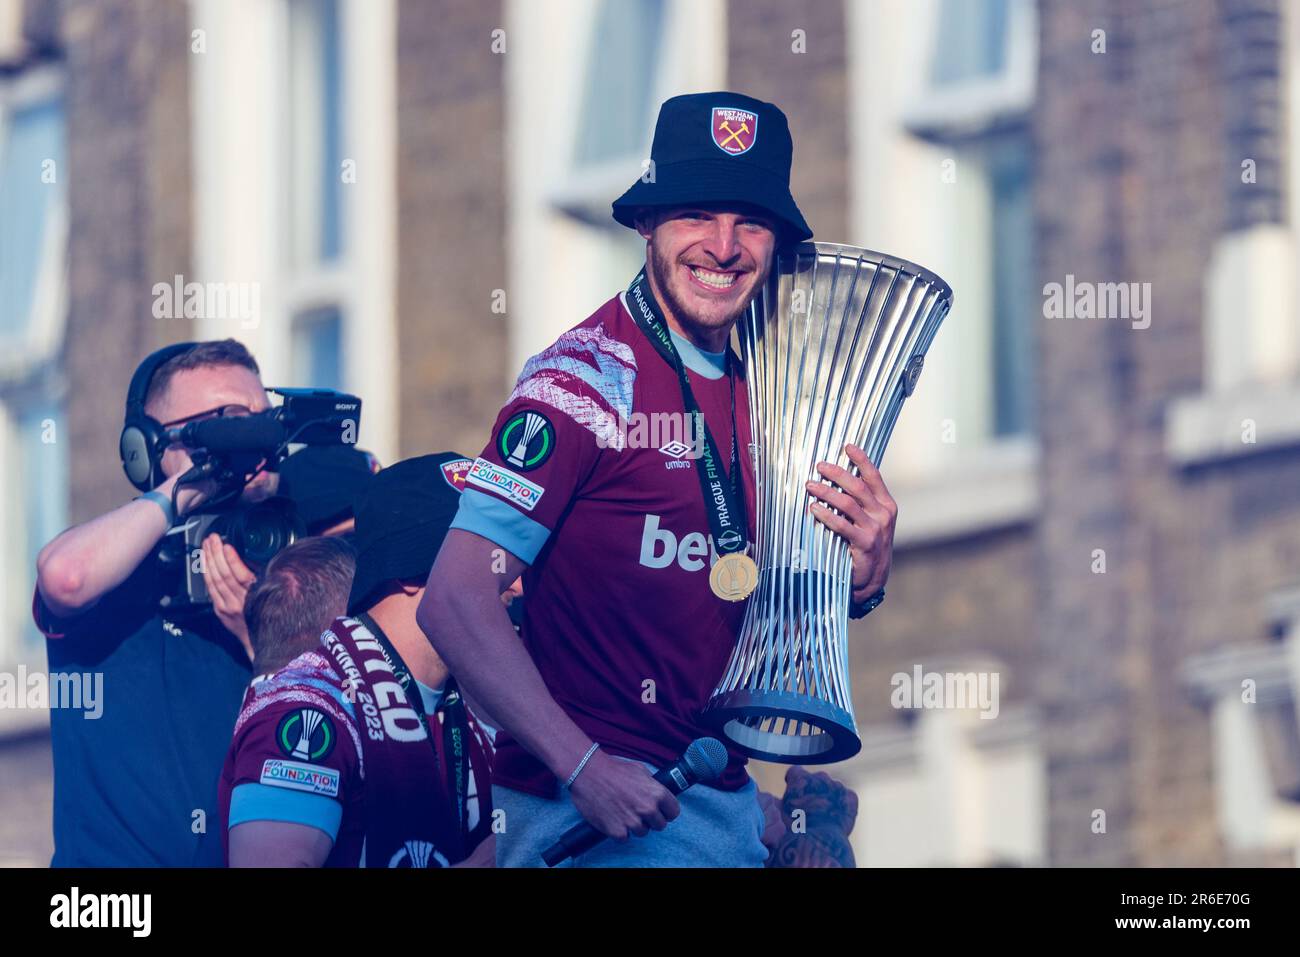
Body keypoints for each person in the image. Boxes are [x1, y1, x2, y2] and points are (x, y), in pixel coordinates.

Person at [419, 92, 896, 867]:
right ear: (647, 224)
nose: (724, 245)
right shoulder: (580, 380)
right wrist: (583, 768)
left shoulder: (776, 382)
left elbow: (757, 608)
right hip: (591, 826)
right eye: (696, 216)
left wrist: (862, 579)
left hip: (724, 812)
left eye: (750, 221)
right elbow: (454, 598)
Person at [33, 339, 283, 866]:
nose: (250, 443)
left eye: (261, 421)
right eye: (224, 426)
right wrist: (188, 490)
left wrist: (258, 641)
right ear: (146, 448)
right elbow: (66, 577)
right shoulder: (116, 565)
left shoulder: (294, 555)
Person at [220, 453, 496, 867]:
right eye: (491, 556)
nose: (516, 578)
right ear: (411, 571)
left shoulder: (473, 708)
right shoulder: (307, 708)